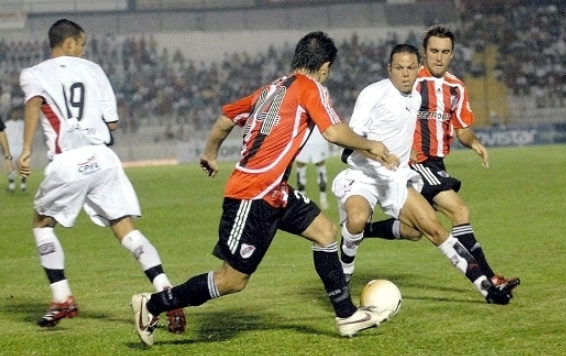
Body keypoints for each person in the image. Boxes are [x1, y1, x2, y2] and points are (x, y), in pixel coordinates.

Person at [131, 31, 398, 346]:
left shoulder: (270, 90)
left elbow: (226, 118)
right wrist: (372, 145)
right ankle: (151, 305)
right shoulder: (312, 87)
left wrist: (210, 154)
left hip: (274, 191)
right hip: (253, 194)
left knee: (325, 233)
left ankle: (346, 315)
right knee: (232, 280)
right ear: (325, 67)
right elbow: (333, 131)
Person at [17, 19, 186, 332]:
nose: (83, 50)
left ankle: (62, 297)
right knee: (125, 228)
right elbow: (112, 124)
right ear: (69, 43)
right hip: (103, 159)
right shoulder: (94, 70)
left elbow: (33, 104)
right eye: (81, 44)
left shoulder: (34, 74)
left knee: (42, 223)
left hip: (69, 162)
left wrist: (26, 149)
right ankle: (167, 293)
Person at [332, 43, 512, 306]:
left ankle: (486, 289)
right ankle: (343, 282)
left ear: (418, 69)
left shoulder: (415, 98)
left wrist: (408, 154)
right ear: (389, 69)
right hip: (365, 175)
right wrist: (377, 152)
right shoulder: (373, 93)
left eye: (410, 68)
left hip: (396, 178)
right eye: (398, 68)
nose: (405, 74)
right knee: (357, 219)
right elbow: (352, 137)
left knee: (429, 229)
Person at [295, 128, 330, 209]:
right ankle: (301, 199)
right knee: (301, 166)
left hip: (318, 137)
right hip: (303, 135)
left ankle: (323, 199)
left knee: (320, 166)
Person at [5, 106, 27, 192]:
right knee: (10, 166)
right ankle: (12, 185)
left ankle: (23, 184)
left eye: (17, 112)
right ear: (11, 114)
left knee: (23, 166)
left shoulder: (23, 123)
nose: (15, 114)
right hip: (11, 147)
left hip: (21, 147)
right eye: (14, 113)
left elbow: (26, 136)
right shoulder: (7, 124)